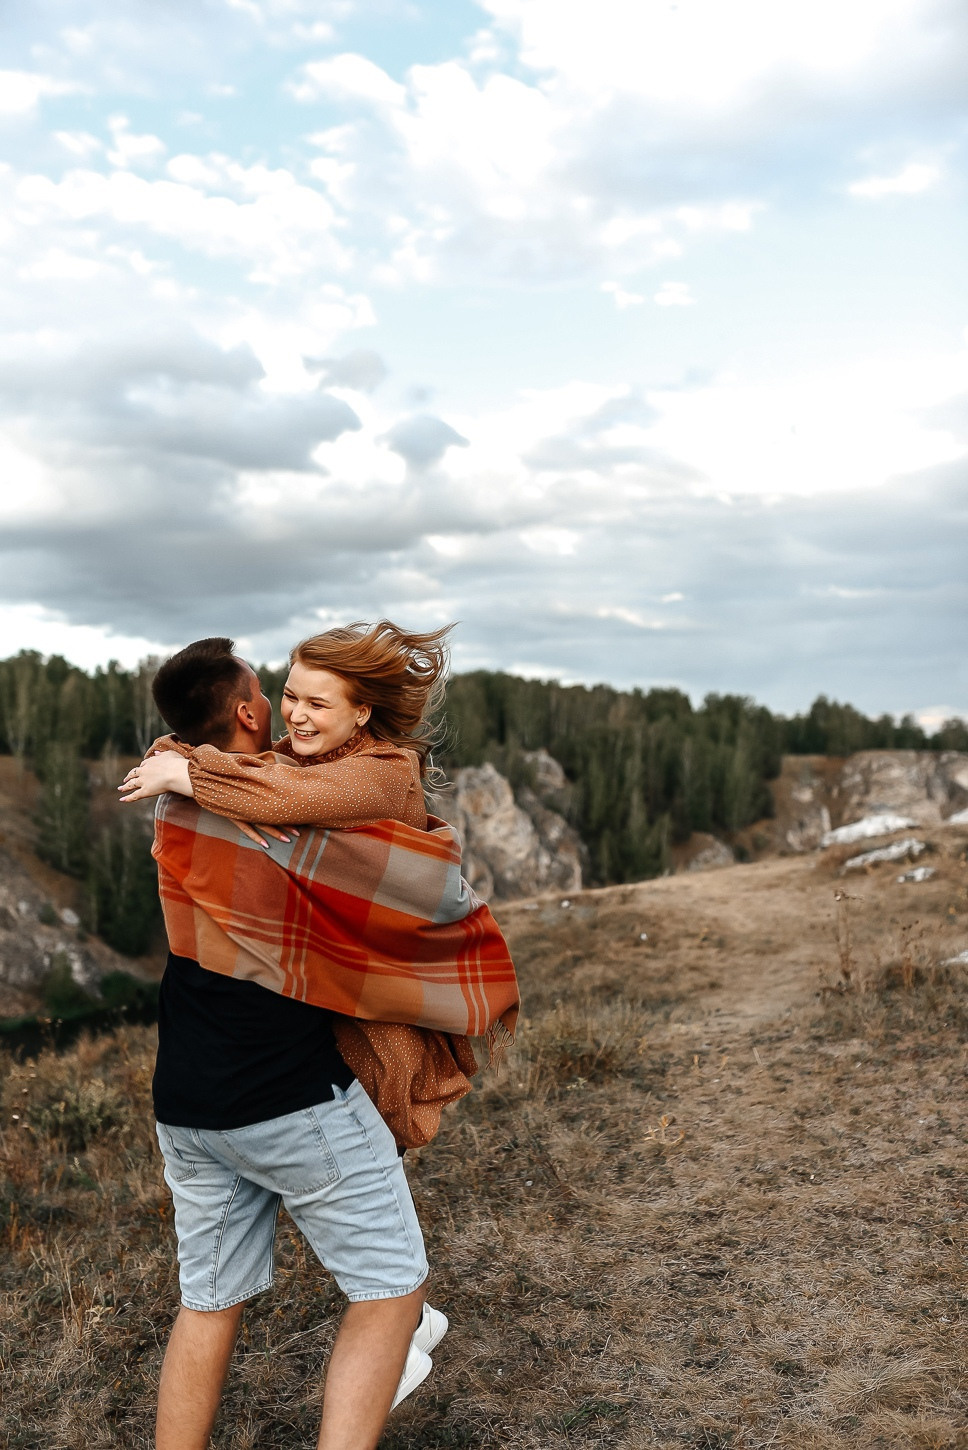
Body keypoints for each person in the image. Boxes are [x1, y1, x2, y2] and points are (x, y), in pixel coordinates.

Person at [127, 630, 464, 1450]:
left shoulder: (198, 791)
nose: (293, 712)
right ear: (251, 709)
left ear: (360, 711)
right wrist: (199, 766)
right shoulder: (280, 790)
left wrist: (187, 766)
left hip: (186, 1100)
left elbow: (226, 762)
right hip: (287, 1096)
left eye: (316, 700)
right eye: (284, 695)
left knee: (207, 1300)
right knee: (391, 1291)